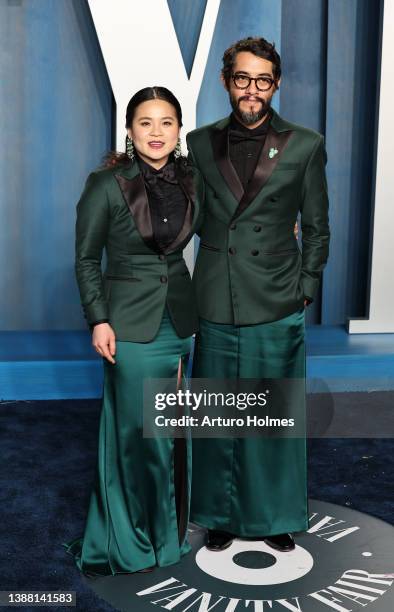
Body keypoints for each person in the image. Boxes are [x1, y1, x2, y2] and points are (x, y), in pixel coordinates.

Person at [187, 37, 330, 552]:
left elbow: (317, 226)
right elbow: (187, 217)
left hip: (277, 298)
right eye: (243, 78)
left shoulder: (305, 143)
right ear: (226, 81)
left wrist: (305, 289)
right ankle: (218, 514)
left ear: (276, 84)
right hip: (216, 296)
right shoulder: (198, 142)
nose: (252, 90)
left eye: (262, 80)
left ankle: (275, 517)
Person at [64, 87, 203, 575]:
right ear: (129, 130)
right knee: (134, 436)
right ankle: (126, 540)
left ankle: (166, 535)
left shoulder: (192, 179)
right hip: (127, 325)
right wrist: (98, 318)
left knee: (167, 434)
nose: (157, 133)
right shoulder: (105, 183)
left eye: (167, 122)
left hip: (180, 325)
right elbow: (85, 258)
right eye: (146, 123)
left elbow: (225, 229)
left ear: (179, 131)